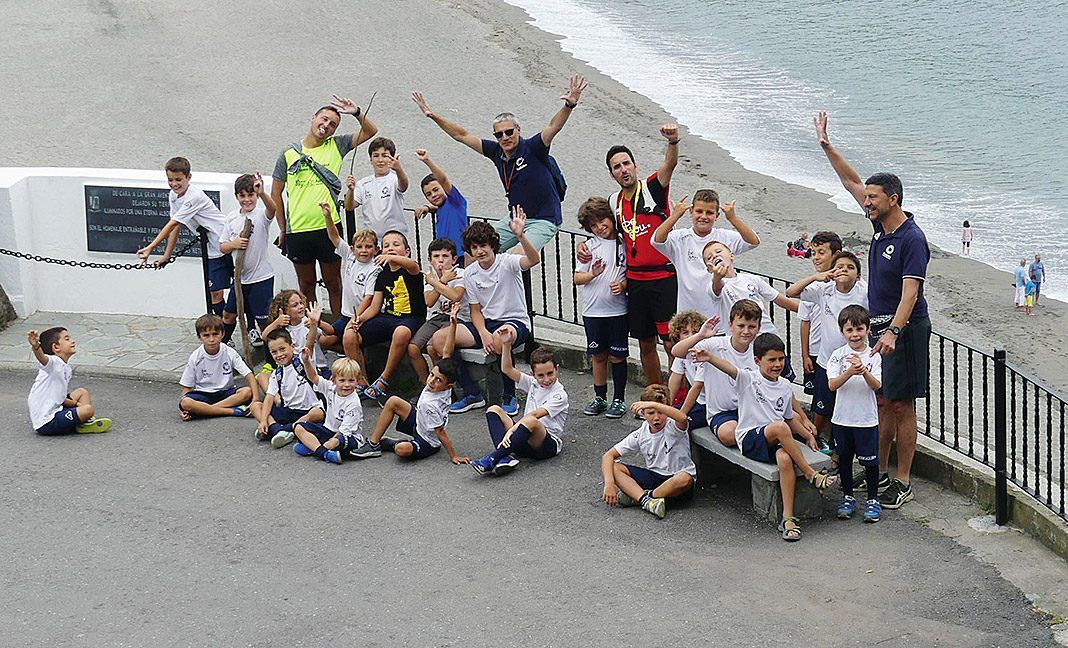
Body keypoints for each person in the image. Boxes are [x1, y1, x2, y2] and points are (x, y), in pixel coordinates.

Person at [815, 111, 932, 510]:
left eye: (872, 198)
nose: (865, 202)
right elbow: (851, 182)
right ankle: (877, 470)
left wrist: (893, 333)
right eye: (866, 198)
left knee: (901, 404)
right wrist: (827, 146)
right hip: (881, 329)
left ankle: (902, 480)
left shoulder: (912, 238)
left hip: (905, 329)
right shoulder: (881, 227)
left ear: (892, 200)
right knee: (881, 401)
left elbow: (910, 294)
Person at [411, 76, 587, 251]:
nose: (505, 137)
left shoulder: (534, 147)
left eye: (509, 132)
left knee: (518, 257)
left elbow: (553, 127)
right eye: (499, 134)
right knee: (476, 249)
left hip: (543, 219)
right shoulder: (496, 152)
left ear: (518, 130)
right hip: (514, 218)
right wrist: (432, 115)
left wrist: (569, 105)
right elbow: (461, 135)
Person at [699, 332, 836, 541]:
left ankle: (788, 518)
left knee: (784, 458)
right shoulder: (748, 378)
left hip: (773, 438)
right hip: (750, 439)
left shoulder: (784, 386)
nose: (777, 364)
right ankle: (811, 474)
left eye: (781, 359)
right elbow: (729, 368)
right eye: (771, 360)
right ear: (757, 361)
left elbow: (790, 419)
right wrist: (709, 357)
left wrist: (808, 436)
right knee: (780, 428)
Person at [577, 125, 681, 386]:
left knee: (670, 341)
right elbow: (604, 230)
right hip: (635, 282)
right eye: (616, 167)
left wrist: (673, 142)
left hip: (663, 278)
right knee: (645, 342)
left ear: (635, 165)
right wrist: (584, 246)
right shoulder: (614, 201)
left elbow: (669, 166)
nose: (623, 169)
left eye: (626, 163)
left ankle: (679, 395)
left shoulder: (652, 188)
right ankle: (657, 392)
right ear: (612, 174)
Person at [272, 97, 378, 318]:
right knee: (306, 284)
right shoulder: (288, 153)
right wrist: (283, 228)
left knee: (334, 282)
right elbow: (276, 193)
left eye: (333, 125)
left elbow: (371, 131)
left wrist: (356, 112)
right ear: (313, 118)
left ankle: (339, 331)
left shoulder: (337, 146)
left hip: (329, 229)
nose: (327, 126)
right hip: (298, 230)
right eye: (324, 119)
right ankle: (314, 331)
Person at [439, 214, 540, 416]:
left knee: (501, 337)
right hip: (486, 323)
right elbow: (475, 310)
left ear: (492, 245)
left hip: (514, 321)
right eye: (474, 247)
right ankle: (471, 393)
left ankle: (509, 395)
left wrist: (520, 236)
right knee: (440, 339)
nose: (479, 251)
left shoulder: (507, 262)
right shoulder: (470, 272)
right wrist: (483, 332)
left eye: (483, 245)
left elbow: (533, 259)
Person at [786, 250, 868, 456]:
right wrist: (816, 276)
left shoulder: (864, 291)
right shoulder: (824, 289)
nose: (843, 271)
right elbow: (791, 292)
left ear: (858, 275)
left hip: (853, 361)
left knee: (845, 408)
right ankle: (813, 440)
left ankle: (838, 452)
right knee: (821, 407)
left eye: (850, 268)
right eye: (839, 266)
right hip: (826, 360)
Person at [136, 157, 232, 316]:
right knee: (215, 292)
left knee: (240, 287)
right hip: (211, 248)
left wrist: (151, 247)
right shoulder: (173, 196)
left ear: (189, 177)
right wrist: (166, 256)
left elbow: (173, 223)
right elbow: (176, 226)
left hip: (225, 241)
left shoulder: (194, 196)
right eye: (170, 180)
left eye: (179, 179)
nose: (174, 184)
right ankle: (223, 331)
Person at [346, 229, 427, 399]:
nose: (390, 248)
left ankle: (384, 379)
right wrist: (359, 320)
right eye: (386, 246)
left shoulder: (411, 270)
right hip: (388, 317)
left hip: (412, 318)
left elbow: (413, 266)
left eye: (396, 245)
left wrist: (392, 258)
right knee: (350, 335)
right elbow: (375, 307)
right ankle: (361, 381)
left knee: (401, 332)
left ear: (407, 251)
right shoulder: (381, 274)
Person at [652, 190, 760, 316]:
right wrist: (675, 216)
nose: (703, 216)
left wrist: (732, 218)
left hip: (720, 315)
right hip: (689, 314)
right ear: (691, 211)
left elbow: (754, 241)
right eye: (699, 211)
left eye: (709, 213)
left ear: (717, 215)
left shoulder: (725, 236)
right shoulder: (679, 238)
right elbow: (656, 240)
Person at [704, 240, 799, 380]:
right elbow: (716, 288)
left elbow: (778, 299)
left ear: (731, 255)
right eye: (709, 258)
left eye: (718, 252)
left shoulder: (751, 279)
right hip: (745, 347)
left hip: (770, 339)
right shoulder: (715, 285)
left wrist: (808, 312)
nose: (714, 256)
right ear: (709, 268)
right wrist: (717, 277)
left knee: (782, 382)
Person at [470, 345, 569, 476]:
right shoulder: (533, 383)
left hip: (544, 446)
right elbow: (507, 369)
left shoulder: (559, 394)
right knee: (493, 409)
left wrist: (511, 430)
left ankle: (494, 458)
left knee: (531, 420)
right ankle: (505, 458)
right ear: (532, 374)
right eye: (540, 375)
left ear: (557, 369)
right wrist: (505, 345)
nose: (546, 379)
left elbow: (534, 415)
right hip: (523, 438)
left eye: (550, 373)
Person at [600, 384, 695, 520]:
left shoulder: (674, 425)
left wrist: (652, 404)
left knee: (684, 478)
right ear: (643, 414)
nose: (656, 418)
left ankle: (643, 497)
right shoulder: (641, 433)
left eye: (660, 412)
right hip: (654, 477)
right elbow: (608, 456)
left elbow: (683, 417)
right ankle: (648, 501)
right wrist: (609, 484)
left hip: (676, 483)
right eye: (651, 413)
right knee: (614, 467)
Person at [673, 301, 760, 446]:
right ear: (730, 325)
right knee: (728, 434)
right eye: (741, 326)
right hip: (722, 412)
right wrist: (700, 335)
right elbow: (677, 352)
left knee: (792, 419)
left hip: (751, 409)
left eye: (751, 327)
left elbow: (780, 385)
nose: (746, 331)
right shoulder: (714, 345)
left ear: (759, 328)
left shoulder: (760, 349)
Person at [349, 358, 468, 463]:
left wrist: (454, 456)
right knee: (393, 401)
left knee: (401, 450)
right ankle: (373, 444)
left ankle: (393, 444)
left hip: (427, 441)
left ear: (448, 387)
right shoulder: (442, 388)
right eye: (431, 375)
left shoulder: (430, 405)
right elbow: (446, 357)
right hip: (420, 420)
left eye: (438, 380)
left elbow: (440, 432)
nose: (431, 381)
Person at [826, 305, 883, 523]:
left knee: (870, 461)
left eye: (859, 329)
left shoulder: (873, 355)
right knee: (846, 459)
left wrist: (864, 370)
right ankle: (847, 496)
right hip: (842, 418)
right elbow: (832, 385)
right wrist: (850, 371)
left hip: (866, 419)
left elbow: (877, 385)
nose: (855, 334)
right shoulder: (837, 356)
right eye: (850, 330)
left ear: (868, 330)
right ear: (842, 332)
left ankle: (872, 499)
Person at [573, 196, 629, 419]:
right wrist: (592, 274)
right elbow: (577, 278)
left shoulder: (624, 243)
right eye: (593, 225)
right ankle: (600, 397)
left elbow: (628, 275)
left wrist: (623, 285)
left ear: (611, 217)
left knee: (618, 356)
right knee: (598, 356)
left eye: (602, 221)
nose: (599, 227)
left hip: (618, 311)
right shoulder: (589, 247)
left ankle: (619, 399)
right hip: (593, 311)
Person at [319, 201, 380, 386]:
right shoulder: (350, 257)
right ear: (353, 249)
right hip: (346, 315)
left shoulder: (374, 269)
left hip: (363, 317)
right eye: (360, 247)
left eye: (369, 247)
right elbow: (334, 237)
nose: (364, 251)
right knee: (325, 340)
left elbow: (369, 298)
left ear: (376, 249)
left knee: (349, 338)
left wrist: (356, 319)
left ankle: (361, 380)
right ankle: (355, 357)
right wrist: (328, 216)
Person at [291, 321, 365, 466]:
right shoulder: (330, 387)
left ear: (357, 381)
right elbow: (313, 377)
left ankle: (316, 449)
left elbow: (343, 432)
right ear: (333, 380)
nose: (347, 385)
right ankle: (324, 453)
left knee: (337, 441)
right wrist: (306, 361)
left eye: (351, 381)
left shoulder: (353, 403)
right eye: (342, 380)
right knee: (298, 427)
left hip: (348, 437)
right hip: (328, 430)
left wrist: (328, 443)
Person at [220, 172, 277, 346]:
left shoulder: (261, 216)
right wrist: (234, 243)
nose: (247, 199)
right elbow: (222, 246)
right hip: (239, 279)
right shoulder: (231, 218)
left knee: (264, 321)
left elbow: (272, 209)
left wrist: (262, 193)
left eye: (250, 195)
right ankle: (223, 347)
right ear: (236, 196)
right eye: (242, 196)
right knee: (229, 315)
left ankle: (272, 359)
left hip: (261, 278)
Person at [26, 327, 111, 435]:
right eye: (67, 339)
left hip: (56, 408)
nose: (72, 341)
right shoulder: (53, 363)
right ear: (56, 347)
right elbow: (42, 358)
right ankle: (82, 422)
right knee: (88, 410)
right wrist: (36, 346)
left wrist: (76, 403)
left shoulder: (65, 367)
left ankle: (83, 421)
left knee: (82, 392)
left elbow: (60, 398)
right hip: (47, 421)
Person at [251, 328, 325, 449]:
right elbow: (269, 398)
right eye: (274, 352)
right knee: (256, 406)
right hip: (289, 411)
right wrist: (263, 420)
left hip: (309, 410)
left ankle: (282, 429)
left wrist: (313, 323)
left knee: (317, 413)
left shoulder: (303, 361)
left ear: (292, 346)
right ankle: (277, 429)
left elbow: (310, 343)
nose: (279, 355)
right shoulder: (277, 373)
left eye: (282, 349)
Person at [178, 314, 257, 421]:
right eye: (206, 335)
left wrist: (255, 399)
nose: (211, 339)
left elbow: (249, 375)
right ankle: (231, 411)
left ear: (222, 334)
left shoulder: (229, 352)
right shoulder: (195, 357)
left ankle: (205, 411)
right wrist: (183, 410)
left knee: (247, 392)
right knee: (185, 402)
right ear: (199, 337)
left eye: (215, 334)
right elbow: (186, 388)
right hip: (204, 394)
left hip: (226, 392)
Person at [799, 232, 843, 401]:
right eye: (814, 253)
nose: (816, 258)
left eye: (821, 253)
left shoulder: (846, 282)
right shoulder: (812, 285)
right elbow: (805, 321)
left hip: (838, 348)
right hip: (816, 350)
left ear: (836, 254)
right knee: (820, 399)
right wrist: (805, 355)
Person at [261, 289, 331, 387]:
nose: (301, 307)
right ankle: (277, 400)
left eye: (301, 303)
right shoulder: (283, 329)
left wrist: (317, 323)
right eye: (295, 305)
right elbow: (264, 337)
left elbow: (330, 332)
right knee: (262, 377)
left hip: (317, 368)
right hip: (292, 369)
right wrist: (276, 322)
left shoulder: (308, 321)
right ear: (284, 310)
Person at [414, 148, 468, 266]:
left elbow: (443, 180)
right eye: (428, 194)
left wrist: (427, 161)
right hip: (443, 259)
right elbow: (437, 208)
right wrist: (428, 207)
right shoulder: (440, 207)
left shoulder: (456, 201)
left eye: (436, 189)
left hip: (459, 257)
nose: (433, 195)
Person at [347, 136, 409, 239]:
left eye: (385, 156)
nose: (380, 160)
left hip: (396, 239)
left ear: (392, 158)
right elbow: (349, 206)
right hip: (372, 241)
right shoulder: (363, 183)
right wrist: (350, 190)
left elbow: (404, 185)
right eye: (376, 156)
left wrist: (398, 169)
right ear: (371, 160)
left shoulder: (395, 179)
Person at [666, 310, 709, 432]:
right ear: (677, 336)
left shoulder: (705, 354)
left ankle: (680, 451)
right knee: (660, 418)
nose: (691, 336)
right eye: (685, 333)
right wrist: (667, 405)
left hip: (709, 405)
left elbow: (697, 386)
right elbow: (675, 379)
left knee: (675, 425)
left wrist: (681, 414)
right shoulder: (682, 354)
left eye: (695, 332)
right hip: (697, 401)